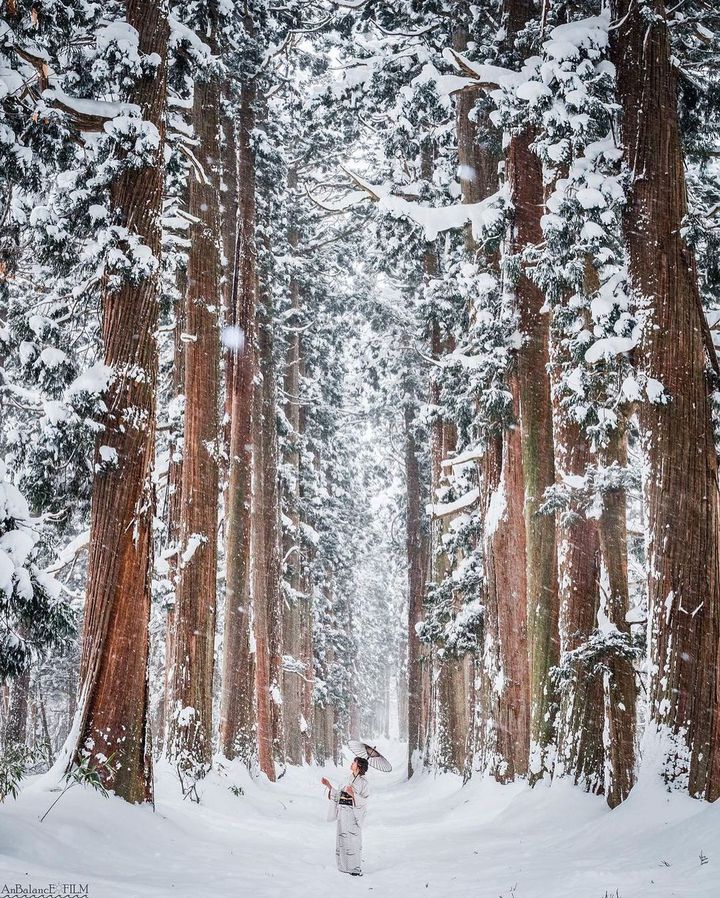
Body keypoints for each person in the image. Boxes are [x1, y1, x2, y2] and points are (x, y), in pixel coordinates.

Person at [321, 756, 370, 876]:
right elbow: (338, 796)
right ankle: (343, 866)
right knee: (342, 839)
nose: (352, 763)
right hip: (342, 814)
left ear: (359, 766)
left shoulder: (364, 783)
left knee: (353, 840)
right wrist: (329, 786)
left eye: (354, 762)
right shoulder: (345, 780)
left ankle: (354, 868)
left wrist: (353, 794)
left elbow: (364, 801)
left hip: (353, 815)